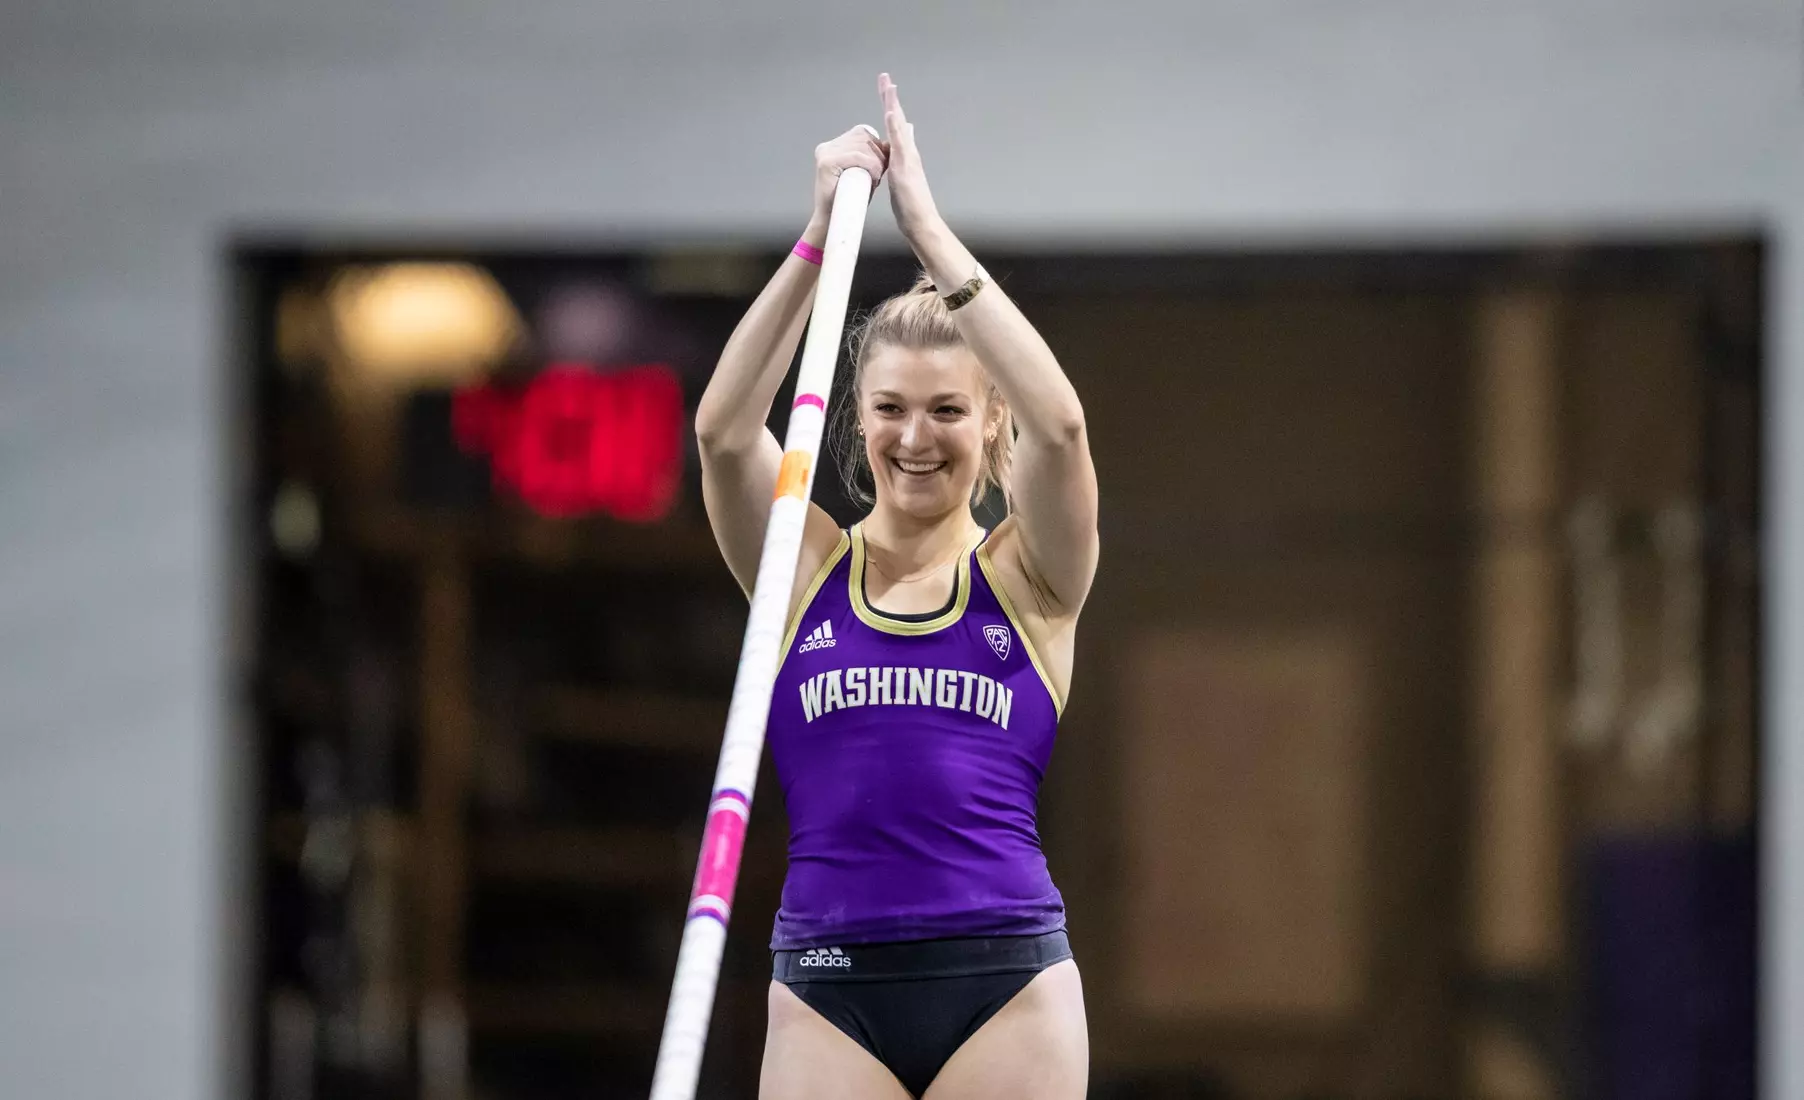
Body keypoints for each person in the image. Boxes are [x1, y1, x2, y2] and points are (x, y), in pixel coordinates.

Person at [693, 73, 1099, 1100]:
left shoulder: (1030, 573)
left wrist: (927, 232)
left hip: (1004, 979)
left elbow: (1062, 427)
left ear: (988, 418)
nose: (914, 438)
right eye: (889, 408)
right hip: (828, 984)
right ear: (858, 417)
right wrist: (816, 244)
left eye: (948, 410)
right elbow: (723, 431)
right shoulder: (804, 565)